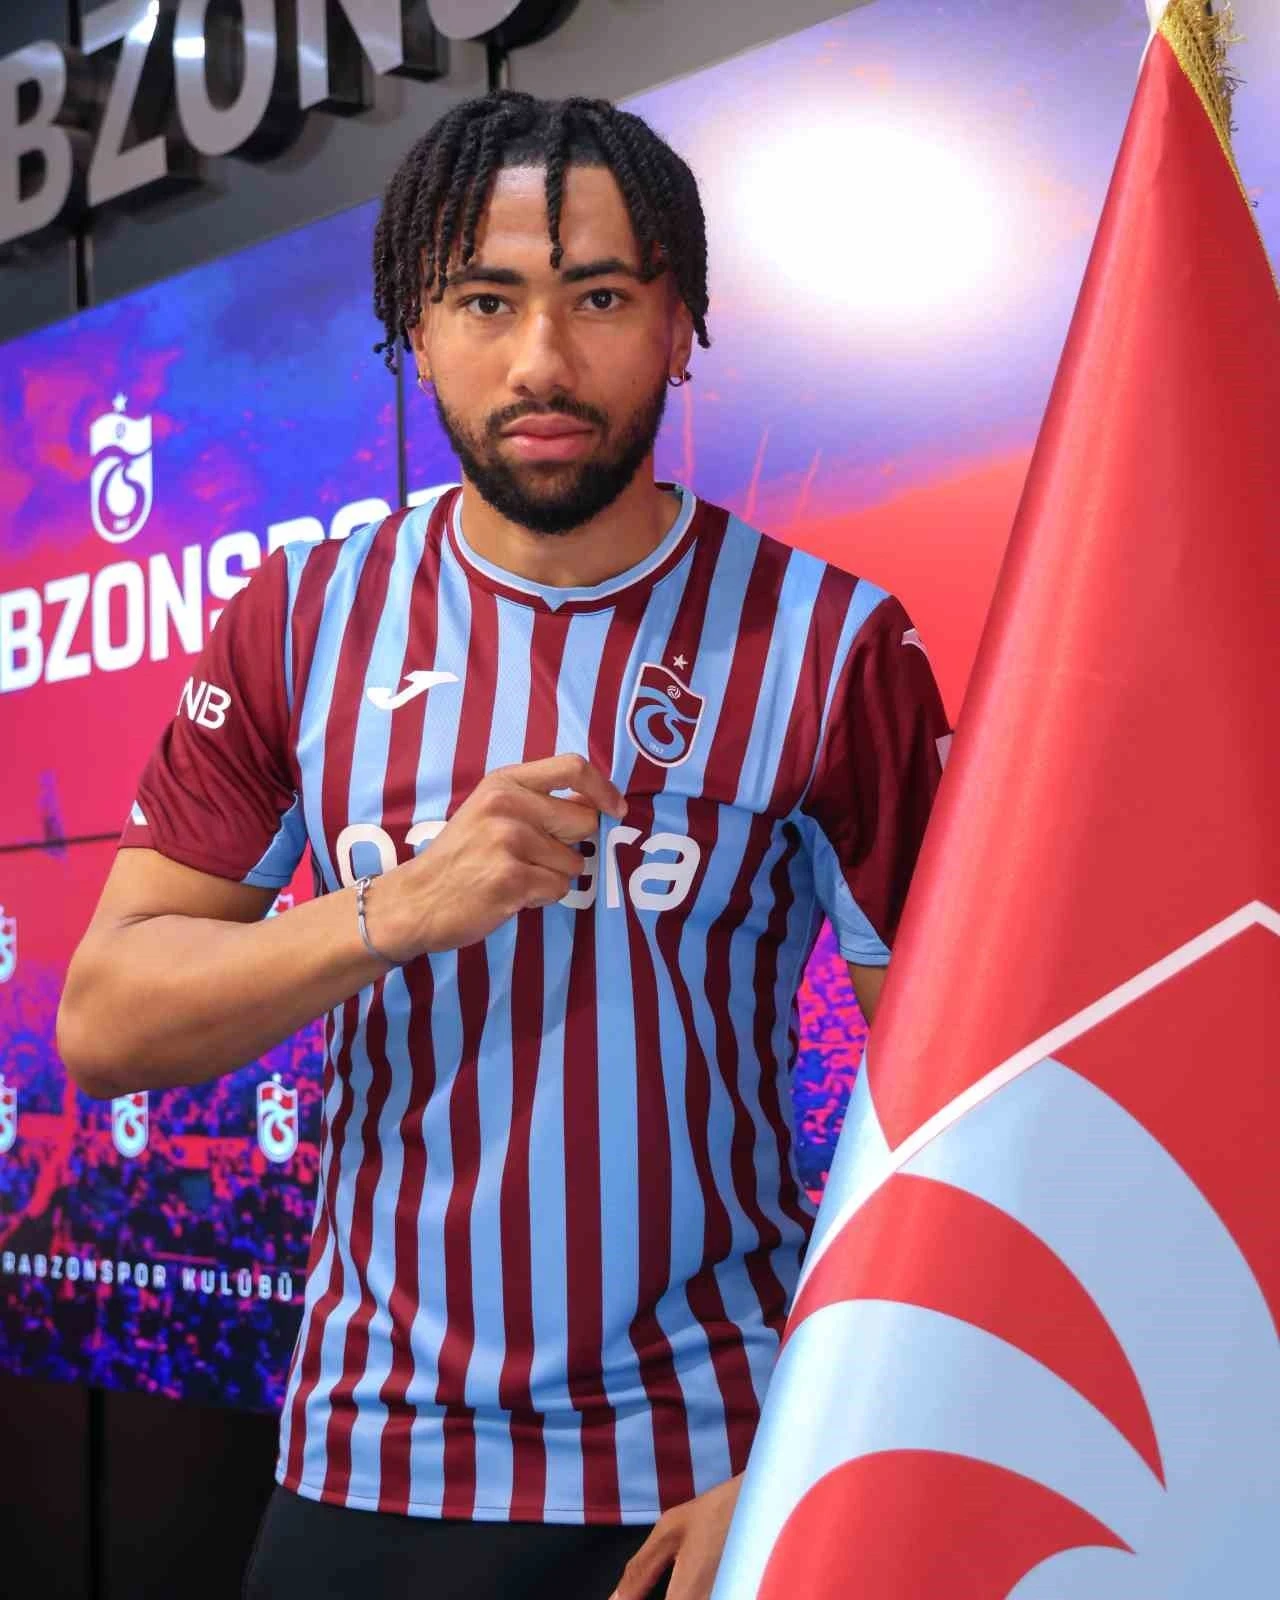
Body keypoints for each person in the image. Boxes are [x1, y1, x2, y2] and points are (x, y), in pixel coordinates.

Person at [57, 90, 951, 1600]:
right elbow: (103, 1020)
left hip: (702, 1476)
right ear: (417, 328)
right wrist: (393, 909)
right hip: (365, 1462)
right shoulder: (299, 622)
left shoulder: (831, 641)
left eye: (600, 297)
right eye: (487, 300)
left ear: (683, 324)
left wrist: (811, 1438)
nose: (543, 361)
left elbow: (955, 1094)